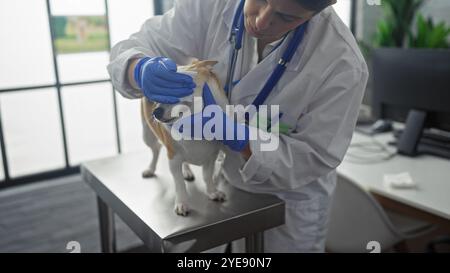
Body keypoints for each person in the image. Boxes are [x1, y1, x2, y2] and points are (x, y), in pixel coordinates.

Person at [108, 0, 368, 252]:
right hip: (227, 185)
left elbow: (314, 155)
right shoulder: (212, 5)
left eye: (286, 17)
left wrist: (240, 138)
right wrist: (138, 68)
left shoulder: (342, 63)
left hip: (289, 202)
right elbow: (137, 45)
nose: (261, 20)